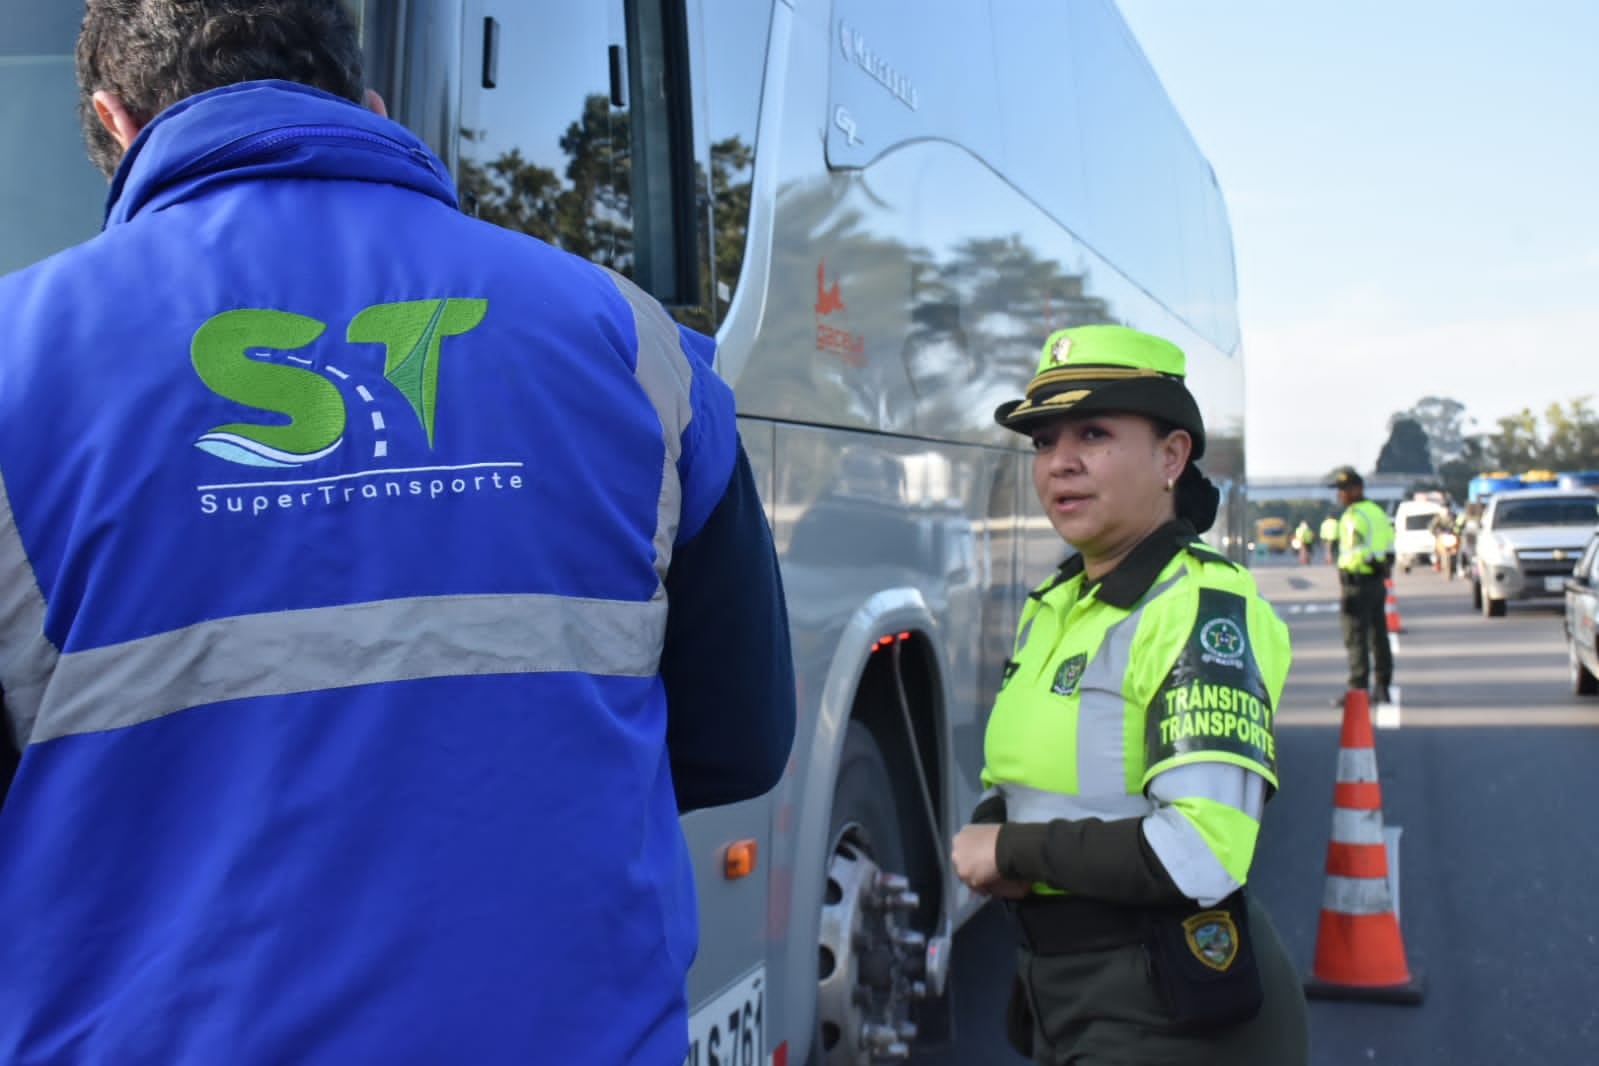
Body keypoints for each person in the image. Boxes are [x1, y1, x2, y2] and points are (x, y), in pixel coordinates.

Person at [0, 3, 796, 1063]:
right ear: (366, 104)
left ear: (115, 119)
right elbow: (741, 734)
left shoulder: (17, 362)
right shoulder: (631, 343)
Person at [949, 325, 1308, 1065]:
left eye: (1094, 432)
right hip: (1065, 985)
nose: (1061, 463)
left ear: (1171, 456)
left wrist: (1011, 850)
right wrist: (996, 824)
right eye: (1044, 442)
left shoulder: (1199, 609)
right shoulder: (1061, 599)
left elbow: (1202, 855)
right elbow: (1030, 780)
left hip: (1163, 1004)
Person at [1329, 466, 1396, 705]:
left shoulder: (1354, 516)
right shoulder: (1377, 513)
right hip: (1376, 581)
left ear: (1357, 489)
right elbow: (1388, 548)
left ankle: (1358, 690)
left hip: (1357, 582)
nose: (1340, 495)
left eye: (1344, 490)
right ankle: (1383, 686)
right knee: (1378, 635)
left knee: (1355, 637)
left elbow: (1354, 551)